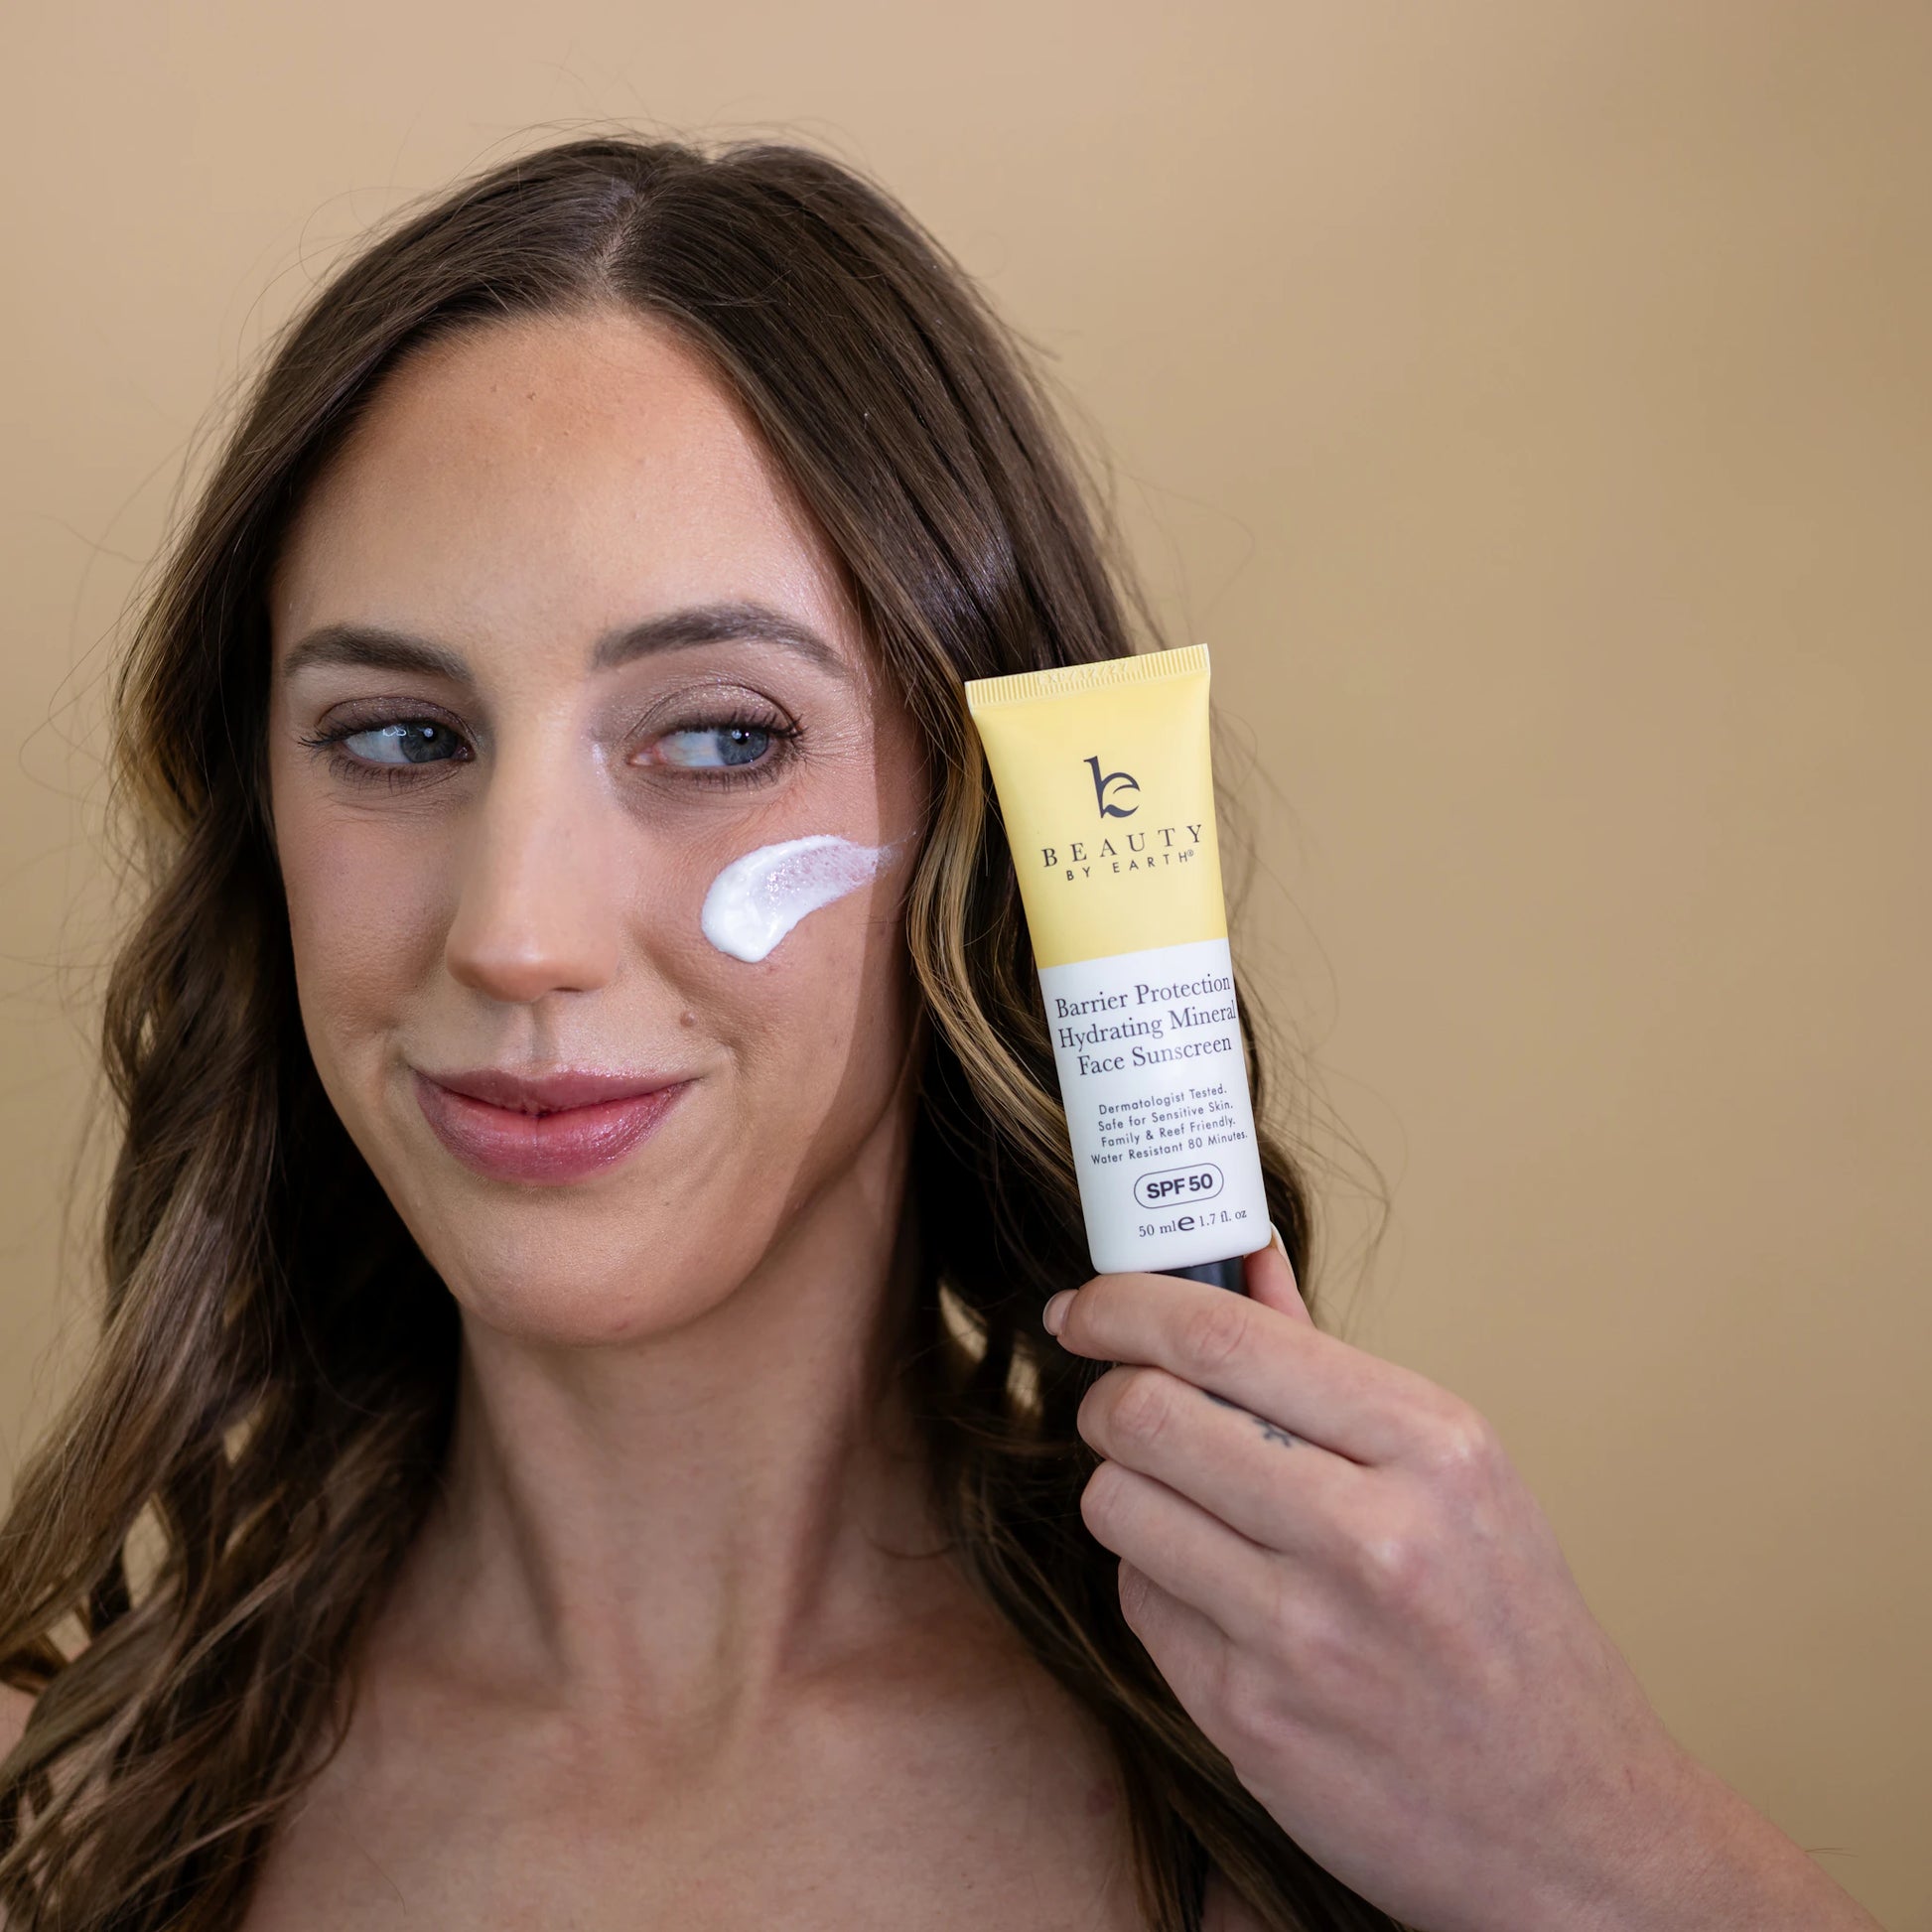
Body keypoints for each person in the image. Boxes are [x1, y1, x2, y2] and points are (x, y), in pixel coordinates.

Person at [0, 135, 1879, 1932]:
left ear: (978, 829)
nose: (516, 934)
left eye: (721, 735)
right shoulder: (60, 1811)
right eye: (399, 737)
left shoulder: (1337, 1797)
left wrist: (1607, 1847)